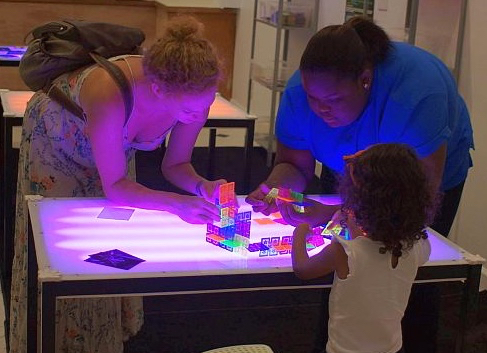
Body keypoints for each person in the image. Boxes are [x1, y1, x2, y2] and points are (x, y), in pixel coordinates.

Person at [246, 15, 473, 353]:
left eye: (334, 100)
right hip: (354, 177)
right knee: (347, 274)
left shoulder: (417, 96)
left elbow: (416, 203)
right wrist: (275, 187)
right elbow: (293, 165)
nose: (321, 109)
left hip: (413, 187)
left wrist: (328, 214)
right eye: (313, 99)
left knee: (411, 281)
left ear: (365, 80)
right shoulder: (300, 92)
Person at [10, 16, 226, 353]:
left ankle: (101, 340)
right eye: (189, 108)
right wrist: (176, 204)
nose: (198, 112)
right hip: (56, 146)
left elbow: (176, 164)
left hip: (114, 158)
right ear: (158, 90)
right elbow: (116, 186)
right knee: (60, 249)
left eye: (205, 102)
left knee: (110, 243)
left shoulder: (195, 96)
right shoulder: (109, 91)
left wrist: (201, 186)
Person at [286, 143, 437, 353]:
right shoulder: (417, 246)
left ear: (361, 204)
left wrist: (300, 232)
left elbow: (303, 269)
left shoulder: (346, 252)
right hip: (392, 349)